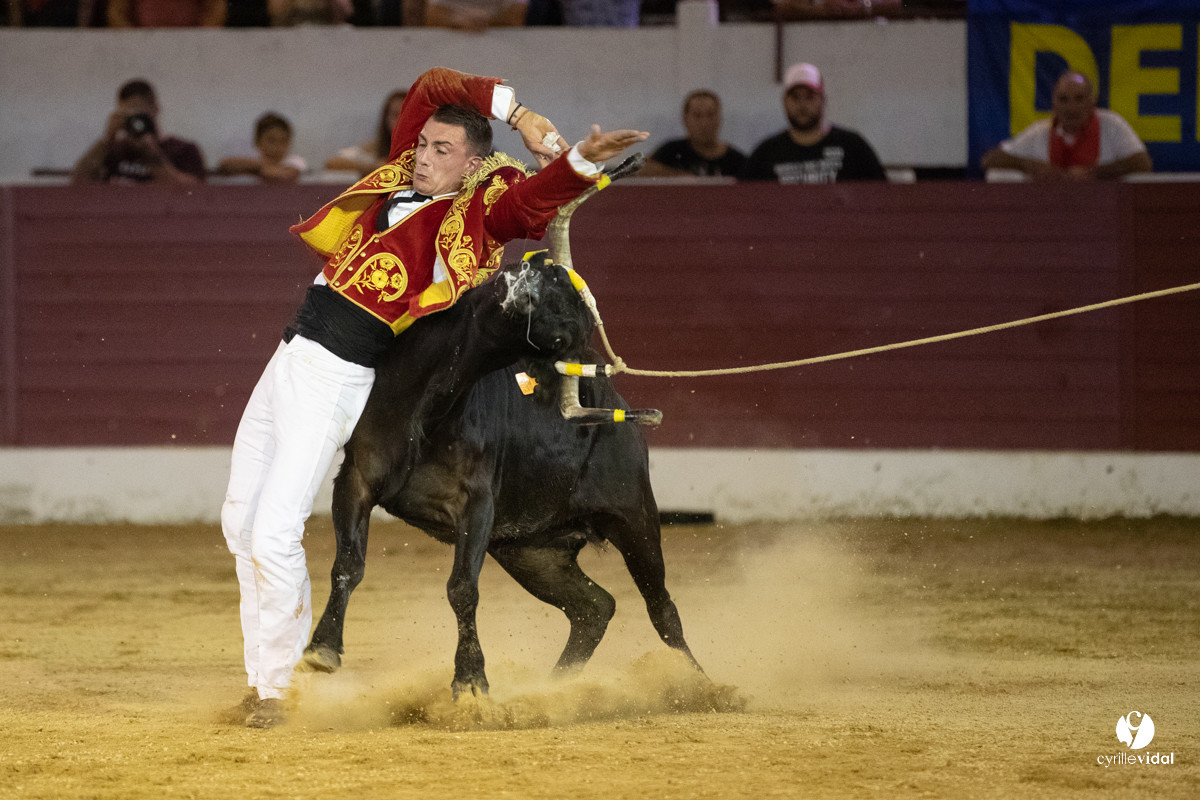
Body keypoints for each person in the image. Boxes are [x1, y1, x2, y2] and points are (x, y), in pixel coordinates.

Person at [221, 66, 647, 728]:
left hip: (337, 370)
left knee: (274, 529)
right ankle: (261, 678)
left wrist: (579, 160)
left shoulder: (475, 217)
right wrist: (519, 111)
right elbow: (431, 84)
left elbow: (530, 205)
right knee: (239, 520)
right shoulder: (399, 174)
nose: (421, 157)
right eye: (421, 145)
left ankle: (277, 692)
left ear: (474, 165)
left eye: (440, 151)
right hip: (289, 356)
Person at [980, 71, 1152, 181]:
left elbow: (1143, 163)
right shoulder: (1040, 132)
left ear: (1092, 102)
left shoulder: (1112, 125)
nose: (1071, 107)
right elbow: (990, 160)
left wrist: (1094, 174)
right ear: (1053, 105)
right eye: (1063, 100)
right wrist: (1033, 166)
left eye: (1079, 99)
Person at [742, 62, 886, 184]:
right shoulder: (765, 155)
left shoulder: (853, 147)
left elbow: (883, 199)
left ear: (823, 100)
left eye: (810, 97)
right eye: (795, 97)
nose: (802, 105)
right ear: (785, 102)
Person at [71, 79, 207, 185]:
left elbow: (194, 194)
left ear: (156, 108)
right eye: (129, 115)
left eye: (141, 115)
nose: (136, 122)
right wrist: (107, 138)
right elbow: (77, 184)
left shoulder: (183, 150)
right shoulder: (113, 150)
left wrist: (153, 156)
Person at [640, 89, 746, 178]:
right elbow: (638, 170)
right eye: (697, 116)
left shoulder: (737, 161)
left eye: (710, 115)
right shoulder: (671, 152)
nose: (704, 123)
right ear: (685, 120)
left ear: (719, 118)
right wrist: (679, 177)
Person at [324, 89, 407, 177]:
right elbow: (332, 163)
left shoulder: (421, 150)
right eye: (395, 115)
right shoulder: (373, 149)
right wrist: (373, 167)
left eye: (406, 114)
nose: (400, 120)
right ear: (386, 119)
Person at [217, 112, 307, 183]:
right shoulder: (253, 159)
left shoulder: (297, 161)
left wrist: (254, 169)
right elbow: (225, 164)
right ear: (257, 142)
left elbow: (285, 175)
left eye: (283, 141)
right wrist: (260, 167)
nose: (278, 146)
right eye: (271, 140)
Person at [107, 0, 228, 26]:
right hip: (141, 45)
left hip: (192, 44)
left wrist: (199, 38)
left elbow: (215, 10)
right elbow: (117, 13)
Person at [424, 0, 527, 30]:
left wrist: (483, 22)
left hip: (501, 43)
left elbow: (517, 16)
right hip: (451, 41)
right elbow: (432, 16)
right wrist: (456, 21)